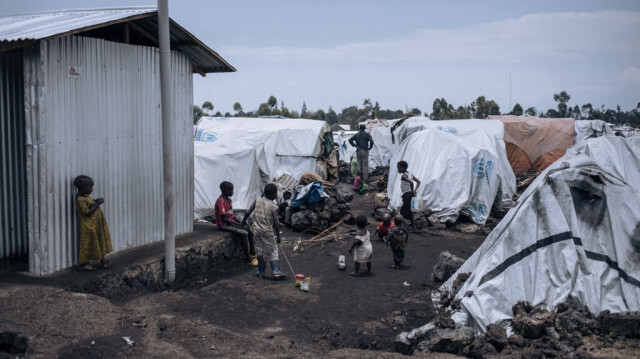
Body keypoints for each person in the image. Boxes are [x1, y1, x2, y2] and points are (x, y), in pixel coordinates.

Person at [242, 183, 286, 279]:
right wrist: (278, 235)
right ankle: (276, 271)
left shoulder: (257, 200)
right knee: (273, 249)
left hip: (256, 231)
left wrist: (243, 221)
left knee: (259, 250)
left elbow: (248, 212)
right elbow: (275, 221)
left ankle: (261, 272)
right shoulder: (273, 206)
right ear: (274, 194)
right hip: (267, 232)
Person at [73, 175, 113, 271]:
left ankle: (103, 261)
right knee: (88, 244)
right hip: (89, 226)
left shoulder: (85, 197)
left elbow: (90, 205)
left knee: (99, 242)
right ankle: (84, 264)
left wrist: (95, 201)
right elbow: (86, 212)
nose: (91, 189)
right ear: (82, 188)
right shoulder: (80, 199)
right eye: (90, 187)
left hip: (95, 225)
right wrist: (97, 203)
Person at [214, 181, 257, 265]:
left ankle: (252, 251)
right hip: (224, 225)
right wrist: (237, 225)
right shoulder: (220, 201)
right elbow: (224, 219)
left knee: (250, 230)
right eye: (231, 190)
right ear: (226, 191)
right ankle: (247, 257)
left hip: (230, 222)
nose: (233, 192)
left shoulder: (229, 200)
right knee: (243, 233)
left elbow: (232, 215)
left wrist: (241, 222)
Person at [397, 160, 421, 226]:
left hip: (407, 195)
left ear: (404, 168)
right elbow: (418, 182)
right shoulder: (410, 174)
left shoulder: (404, 176)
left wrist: (413, 191)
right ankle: (413, 225)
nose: (398, 170)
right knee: (409, 210)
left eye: (399, 168)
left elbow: (411, 182)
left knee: (403, 210)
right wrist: (414, 190)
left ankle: (399, 225)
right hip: (409, 194)